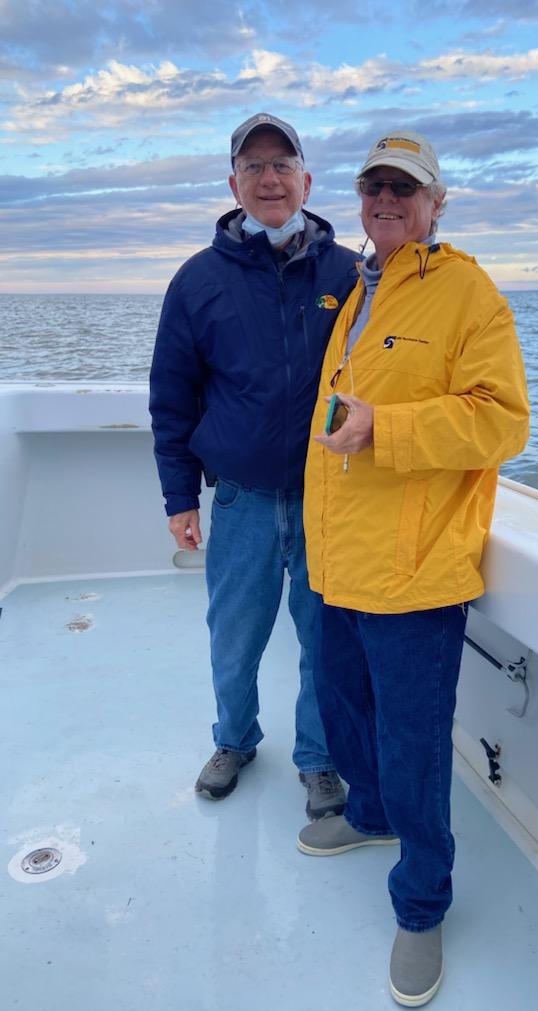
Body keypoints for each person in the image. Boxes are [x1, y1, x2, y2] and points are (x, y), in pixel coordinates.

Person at [296, 130, 530, 1006]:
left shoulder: (468, 291)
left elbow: (503, 421)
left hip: (415, 569)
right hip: (338, 559)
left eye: (405, 188)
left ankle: (423, 904)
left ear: (436, 203)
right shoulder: (361, 286)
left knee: (415, 744)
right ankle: (368, 815)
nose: (387, 200)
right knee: (345, 710)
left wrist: (384, 429)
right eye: (375, 187)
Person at [149, 113, 359, 817]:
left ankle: (319, 758)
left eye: (282, 165)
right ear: (233, 183)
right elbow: (171, 397)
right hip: (241, 500)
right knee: (234, 638)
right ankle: (234, 739)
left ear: (307, 180)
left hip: (328, 498)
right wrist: (180, 498)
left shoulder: (350, 273)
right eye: (254, 166)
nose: (270, 179)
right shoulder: (197, 280)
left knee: (324, 640)